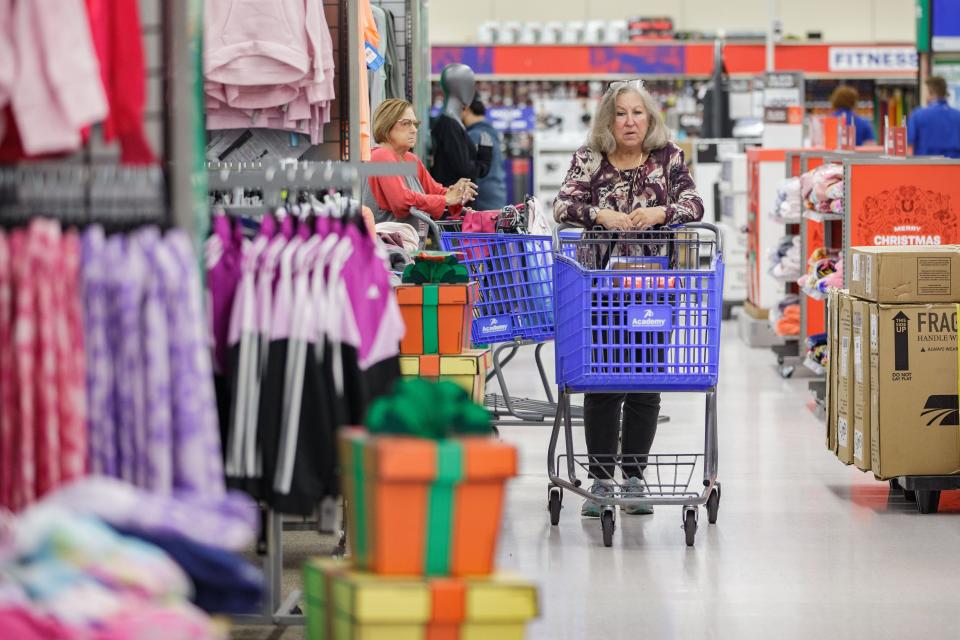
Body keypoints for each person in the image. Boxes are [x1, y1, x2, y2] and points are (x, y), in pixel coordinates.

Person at [554, 79, 704, 517]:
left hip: (653, 289)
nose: (630, 121)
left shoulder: (668, 157)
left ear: (650, 117)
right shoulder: (588, 158)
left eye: (638, 112)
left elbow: (695, 203)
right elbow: (563, 205)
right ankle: (601, 479)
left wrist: (662, 211)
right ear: (608, 119)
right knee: (602, 382)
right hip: (598, 287)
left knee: (645, 381)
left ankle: (634, 476)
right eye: (621, 113)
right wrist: (600, 213)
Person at [365, 98, 477, 227]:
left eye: (415, 123)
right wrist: (446, 199)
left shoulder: (410, 159)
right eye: (406, 123)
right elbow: (400, 200)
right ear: (386, 124)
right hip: (386, 245)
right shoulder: (380, 155)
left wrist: (458, 193)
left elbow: (436, 191)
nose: (414, 129)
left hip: (407, 244)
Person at [461, 99, 508, 211]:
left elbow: (466, 168)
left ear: (467, 110)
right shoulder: (492, 132)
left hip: (482, 198)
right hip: (497, 195)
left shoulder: (473, 135)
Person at [908, 76, 960, 158]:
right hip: (955, 168)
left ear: (931, 92)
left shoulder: (918, 115)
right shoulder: (958, 116)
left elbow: (909, 142)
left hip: (925, 167)